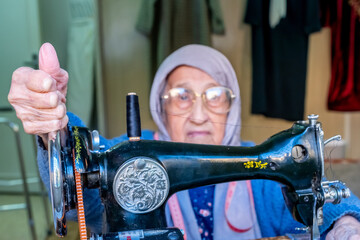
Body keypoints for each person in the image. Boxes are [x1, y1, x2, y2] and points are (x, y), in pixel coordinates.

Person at [8, 43, 360, 239]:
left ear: (232, 103)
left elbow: (325, 203)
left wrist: (345, 226)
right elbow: (80, 185)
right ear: (158, 105)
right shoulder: (126, 159)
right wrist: (52, 127)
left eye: (216, 95)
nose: (199, 114)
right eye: (181, 96)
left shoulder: (263, 175)